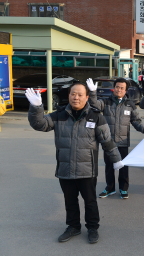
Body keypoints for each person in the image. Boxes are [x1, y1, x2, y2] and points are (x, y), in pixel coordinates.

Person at [26, 82, 123, 244]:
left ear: (86, 97)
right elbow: (40, 124)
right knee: (70, 200)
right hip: (65, 168)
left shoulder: (96, 117)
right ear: (69, 96)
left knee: (90, 201)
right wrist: (36, 107)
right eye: (73, 94)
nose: (75, 97)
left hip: (87, 169)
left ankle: (92, 228)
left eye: (79, 94)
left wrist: (116, 159)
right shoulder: (59, 115)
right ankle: (73, 226)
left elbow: (107, 141)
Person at [86, 78, 144, 200]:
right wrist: (93, 92)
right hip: (108, 141)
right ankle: (110, 187)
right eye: (117, 87)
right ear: (114, 88)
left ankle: (123, 189)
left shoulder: (129, 104)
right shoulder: (106, 102)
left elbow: (136, 121)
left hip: (123, 142)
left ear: (125, 90)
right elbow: (94, 105)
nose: (119, 90)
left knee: (123, 167)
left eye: (122, 88)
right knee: (109, 166)